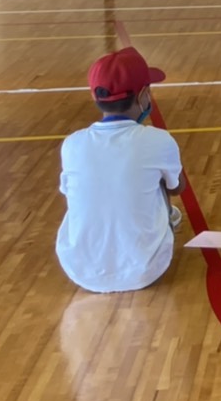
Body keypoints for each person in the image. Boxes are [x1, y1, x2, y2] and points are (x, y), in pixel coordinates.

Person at [56, 47, 186, 292]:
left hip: (80, 271)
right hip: (146, 270)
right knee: (158, 179)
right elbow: (177, 187)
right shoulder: (158, 139)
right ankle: (157, 229)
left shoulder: (72, 143)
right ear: (144, 95)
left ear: (95, 96)